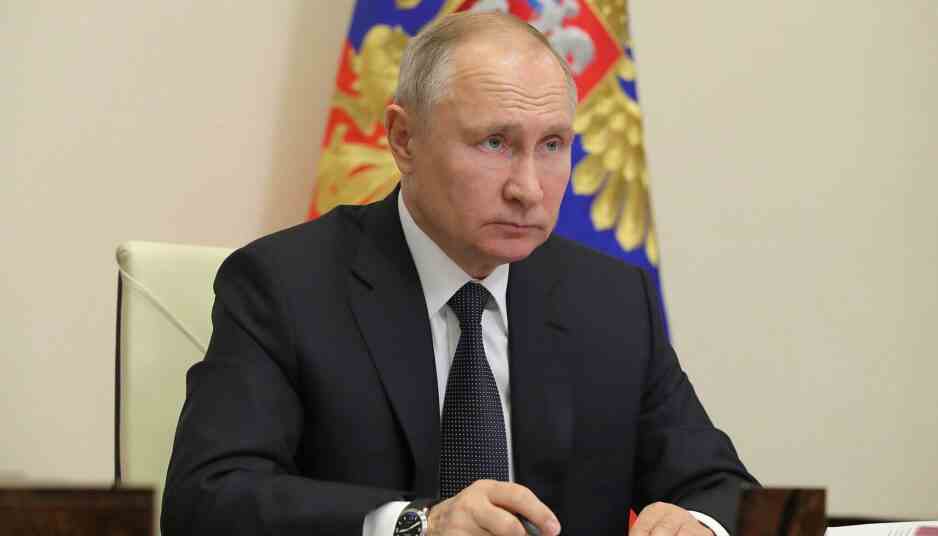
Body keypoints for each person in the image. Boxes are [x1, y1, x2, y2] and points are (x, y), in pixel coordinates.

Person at [162, 11, 755, 536]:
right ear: (404, 140)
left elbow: (720, 487)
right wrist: (414, 526)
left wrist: (698, 526)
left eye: (552, 145)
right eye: (495, 142)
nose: (528, 188)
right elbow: (207, 501)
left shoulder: (611, 301)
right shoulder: (284, 286)